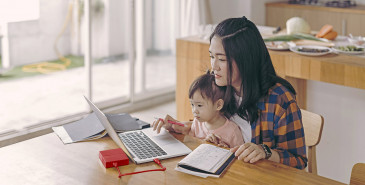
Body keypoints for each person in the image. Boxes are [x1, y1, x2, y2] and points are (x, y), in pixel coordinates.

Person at [154, 16, 307, 169]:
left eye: (222, 59)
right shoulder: (217, 85)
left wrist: (265, 151)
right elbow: (213, 125)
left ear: (245, 60)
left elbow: (298, 161)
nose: (214, 67)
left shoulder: (279, 99)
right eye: (212, 56)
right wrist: (182, 127)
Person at [154, 72, 244, 148]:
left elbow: (239, 160)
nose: (194, 110)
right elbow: (191, 143)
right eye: (192, 105)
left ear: (218, 105)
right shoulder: (197, 123)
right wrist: (171, 126)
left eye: (199, 105)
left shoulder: (232, 131)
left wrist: (222, 148)